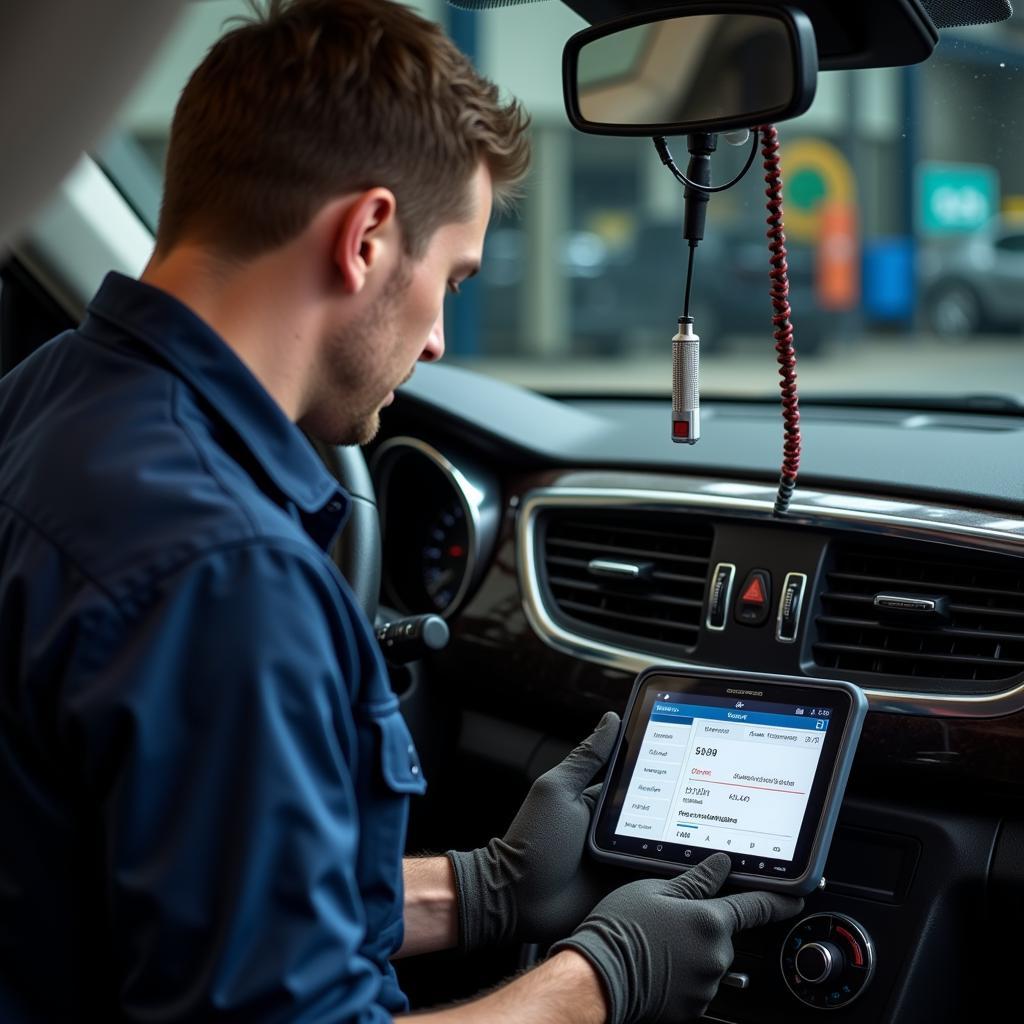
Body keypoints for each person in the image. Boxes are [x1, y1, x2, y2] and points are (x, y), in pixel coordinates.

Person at [0, 1, 802, 1021]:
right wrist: (596, 981)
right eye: (453, 281)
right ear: (369, 236)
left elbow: (180, 890)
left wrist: (486, 889)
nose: (435, 346)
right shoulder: (224, 571)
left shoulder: (44, 395)